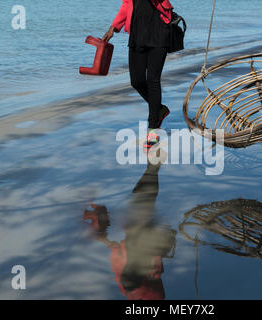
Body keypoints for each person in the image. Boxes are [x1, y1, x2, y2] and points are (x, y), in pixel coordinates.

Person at [84, 158, 176, 300]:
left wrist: (104, 238)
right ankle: (154, 163)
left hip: (136, 231)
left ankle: (153, 163)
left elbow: (116, 252)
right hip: (143, 232)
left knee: (141, 196)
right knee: (143, 197)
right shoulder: (148, 282)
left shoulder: (125, 279)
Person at [102, 0, 174, 148]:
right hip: (137, 34)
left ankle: (153, 131)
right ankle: (159, 109)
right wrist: (114, 27)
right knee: (136, 81)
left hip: (159, 31)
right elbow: (127, 4)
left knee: (153, 81)